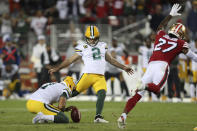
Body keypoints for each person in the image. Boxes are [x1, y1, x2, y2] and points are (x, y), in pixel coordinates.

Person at [117, 4, 197, 128]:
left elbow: (160, 26)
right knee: (157, 89)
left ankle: (123, 115)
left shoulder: (160, 36)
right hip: (162, 66)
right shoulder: (181, 43)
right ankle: (144, 86)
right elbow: (192, 56)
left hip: (151, 66)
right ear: (180, 34)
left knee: (138, 94)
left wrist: (170, 15)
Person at [49, 25, 133, 123]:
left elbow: (111, 60)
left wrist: (124, 67)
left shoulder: (103, 45)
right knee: (73, 92)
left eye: (94, 39)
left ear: (98, 38)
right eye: (90, 39)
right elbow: (70, 60)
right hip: (87, 75)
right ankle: (54, 98)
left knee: (102, 93)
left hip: (100, 76)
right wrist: (58, 68)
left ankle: (98, 117)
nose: (92, 41)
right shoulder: (83, 47)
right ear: (86, 38)